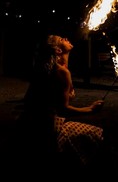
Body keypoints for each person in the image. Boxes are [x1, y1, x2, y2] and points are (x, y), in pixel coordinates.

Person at [22, 34, 105, 168]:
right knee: (97, 135)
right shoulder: (60, 72)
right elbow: (63, 108)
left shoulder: (58, 68)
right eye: (61, 40)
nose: (66, 38)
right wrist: (90, 109)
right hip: (47, 127)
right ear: (58, 50)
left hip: (36, 123)